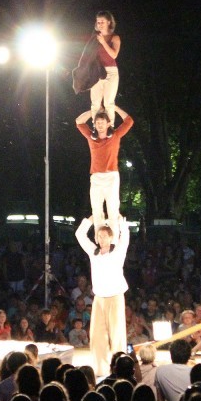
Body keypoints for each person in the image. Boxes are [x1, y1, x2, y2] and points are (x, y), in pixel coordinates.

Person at [75, 215, 130, 377]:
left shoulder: (118, 251)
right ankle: (100, 369)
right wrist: (90, 220)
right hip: (99, 298)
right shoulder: (94, 252)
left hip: (115, 297)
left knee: (117, 334)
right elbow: (79, 235)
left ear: (111, 237)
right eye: (99, 236)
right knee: (97, 335)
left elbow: (125, 236)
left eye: (104, 236)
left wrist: (119, 219)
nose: (101, 238)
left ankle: (121, 368)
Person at [76, 105, 133, 240]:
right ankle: (99, 239)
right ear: (94, 124)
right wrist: (93, 111)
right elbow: (78, 122)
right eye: (98, 123)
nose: (100, 125)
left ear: (108, 123)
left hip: (111, 176)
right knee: (97, 211)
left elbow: (129, 121)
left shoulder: (115, 135)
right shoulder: (91, 137)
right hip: (96, 177)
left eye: (103, 123)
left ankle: (113, 241)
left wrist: (115, 108)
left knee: (112, 210)